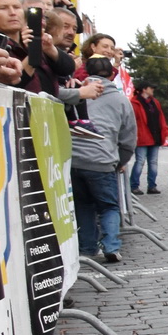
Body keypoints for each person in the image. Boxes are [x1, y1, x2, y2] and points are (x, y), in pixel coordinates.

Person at [70, 52, 135, 264]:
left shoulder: (75, 93)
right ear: (111, 73)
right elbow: (128, 137)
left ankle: (87, 248)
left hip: (74, 157)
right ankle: (111, 246)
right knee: (109, 206)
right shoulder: (120, 100)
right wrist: (120, 161)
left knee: (83, 205)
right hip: (102, 158)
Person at [130, 78, 167, 194]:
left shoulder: (155, 102)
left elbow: (161, 118)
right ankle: (134, 186)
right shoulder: (134, 103)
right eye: (151, 88)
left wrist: (164, 131)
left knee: (153, 162)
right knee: (140, 161)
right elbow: (132, 121)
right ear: (144, 89)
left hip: (155, 136)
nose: (153, 90)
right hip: (142, 137)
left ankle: (152, 186)